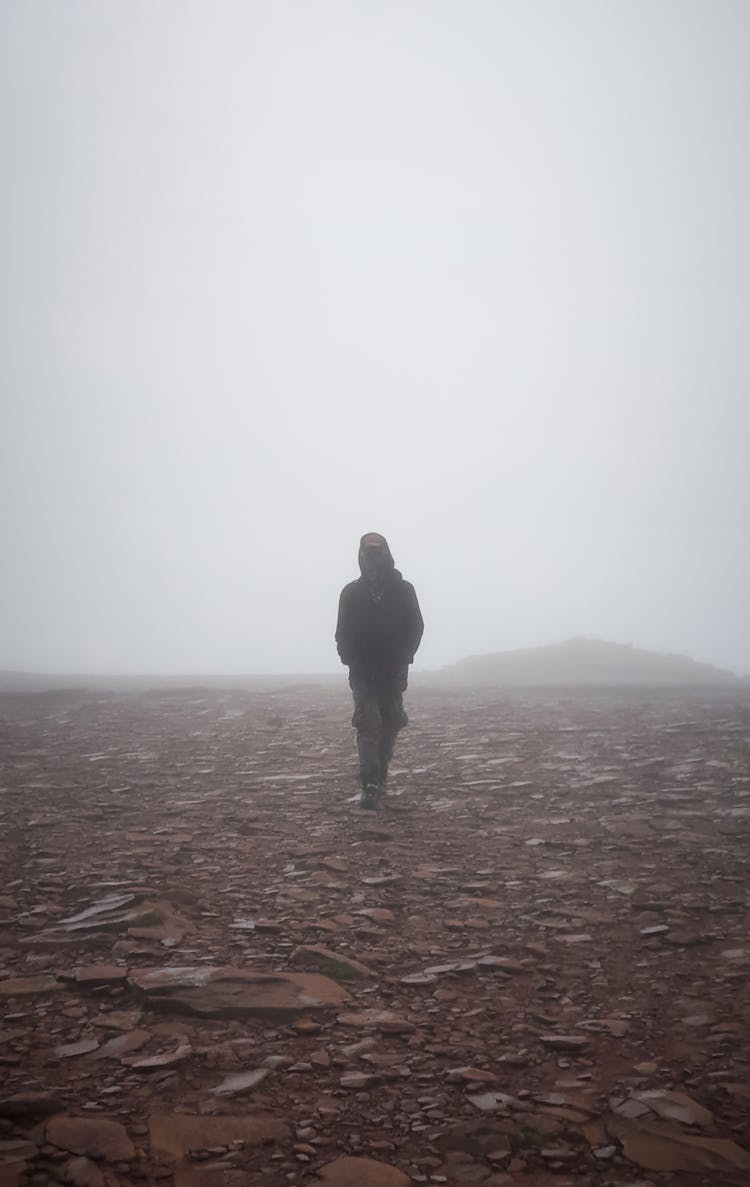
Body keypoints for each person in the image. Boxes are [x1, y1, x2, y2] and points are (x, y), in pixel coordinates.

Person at [335, 532, 424, 809]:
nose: (372, 559)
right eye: (368, 553)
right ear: (361, 556)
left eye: (377, 553)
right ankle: (370, 784)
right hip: (362, 672)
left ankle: (381, 776)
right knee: (368, 723)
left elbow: (416, 627)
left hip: (393, 671)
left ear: (386, 554)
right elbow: (342, 632)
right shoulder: (351, 593)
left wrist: (403, 657)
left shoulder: (404, 590)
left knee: (390, 721)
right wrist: (349, 658)